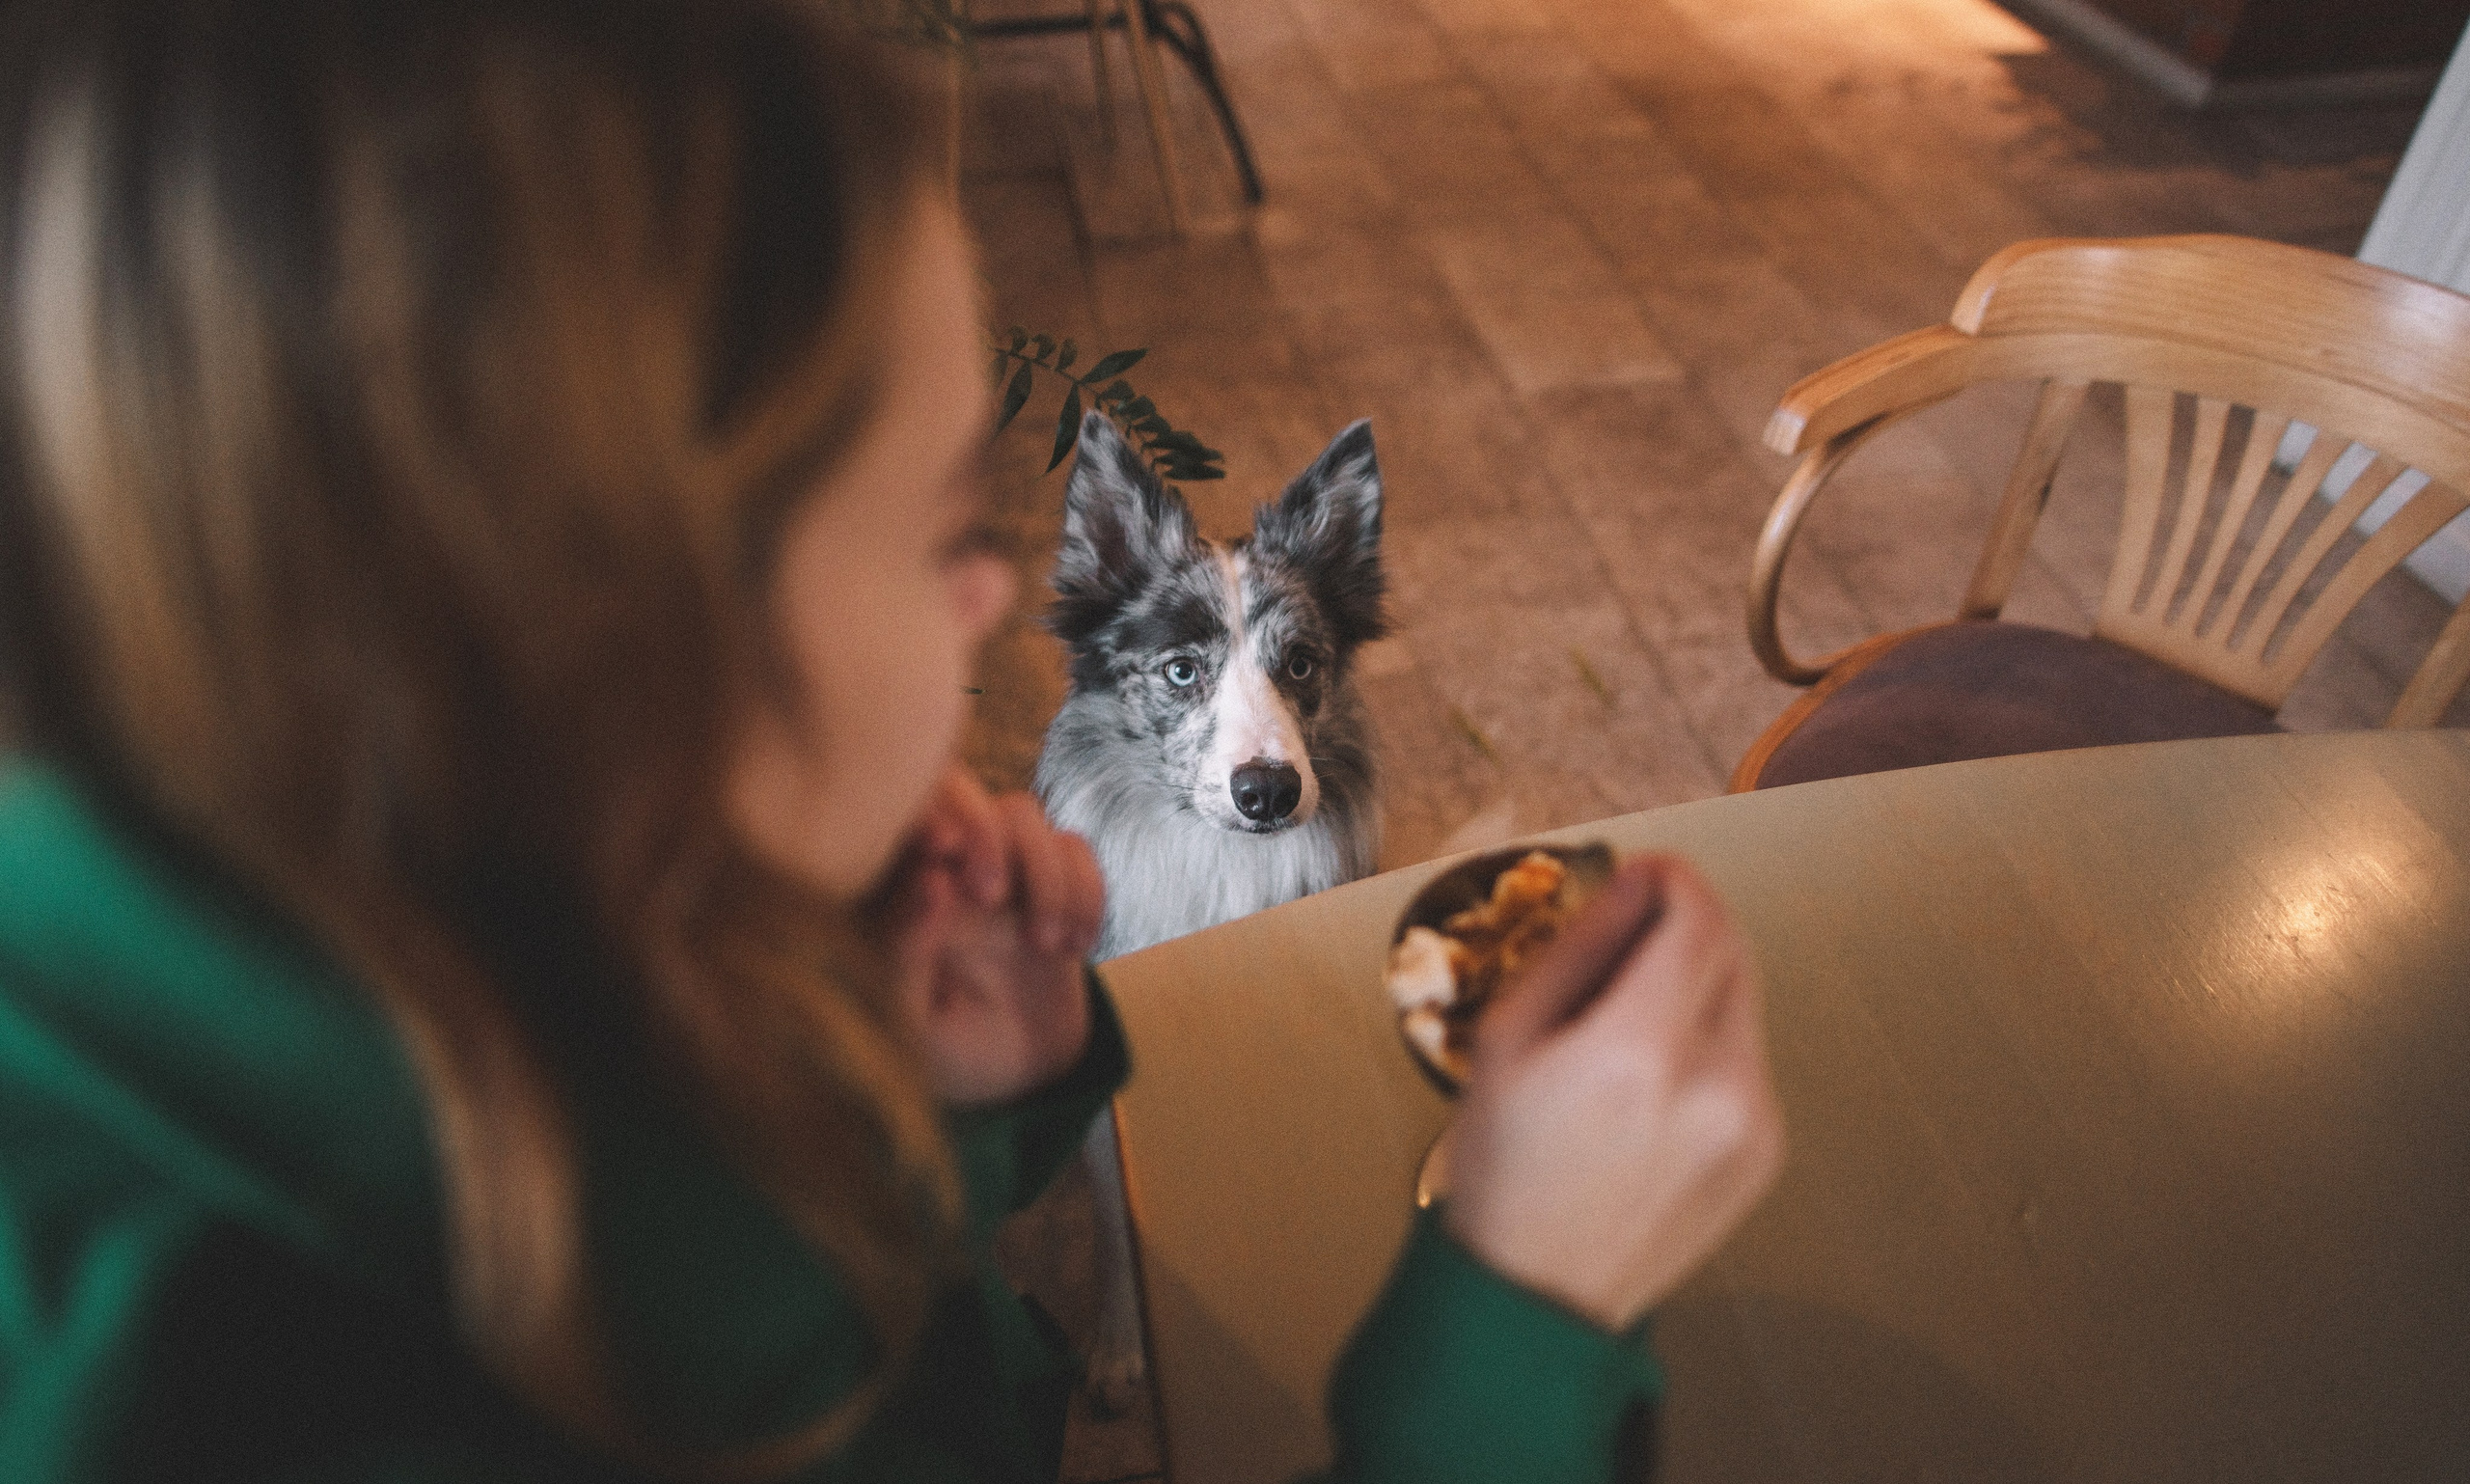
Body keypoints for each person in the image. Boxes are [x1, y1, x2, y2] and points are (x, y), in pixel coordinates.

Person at [0, 1, 1784, 1480]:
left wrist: (935, 1153)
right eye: (948, 530)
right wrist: (1516, 1327)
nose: (1004, 605)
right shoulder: (256, 1396)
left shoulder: (502, 954)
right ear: (613, 637)